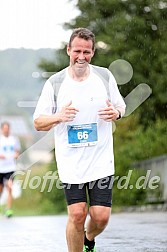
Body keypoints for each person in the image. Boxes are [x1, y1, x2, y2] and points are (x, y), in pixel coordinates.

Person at [33, 28, 126, 252]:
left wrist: (117, 113)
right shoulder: (55, 83)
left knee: (101, 217)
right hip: (71, 161)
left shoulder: (104, 77)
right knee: (77, 214)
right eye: (77, 51)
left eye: (86, 52)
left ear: (93, 52)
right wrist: (59, 116)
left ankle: (89, 239)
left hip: (100, 159)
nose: (81, 57)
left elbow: (120, 105)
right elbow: (38, 122)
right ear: (68, 50)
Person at [0, 121, 21, 217]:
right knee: (0, 189)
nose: (6, 131)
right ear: (1, 130)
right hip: (1, 168)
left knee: (9, 187)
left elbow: (17, 152)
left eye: (7, 129)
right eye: (4, 129)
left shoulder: (14, 140)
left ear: (9, 129)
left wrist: (16, 155)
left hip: (10, 168)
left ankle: (8, 209)